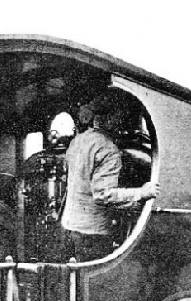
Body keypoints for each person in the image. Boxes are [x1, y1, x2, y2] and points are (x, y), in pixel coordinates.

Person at [61, 92, 160, 262]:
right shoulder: (108, 149)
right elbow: (103, 195)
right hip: (92, 233)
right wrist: (141, 193)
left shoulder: (77, 141)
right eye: (120, 116)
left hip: (68, 226)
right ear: (112, 117)